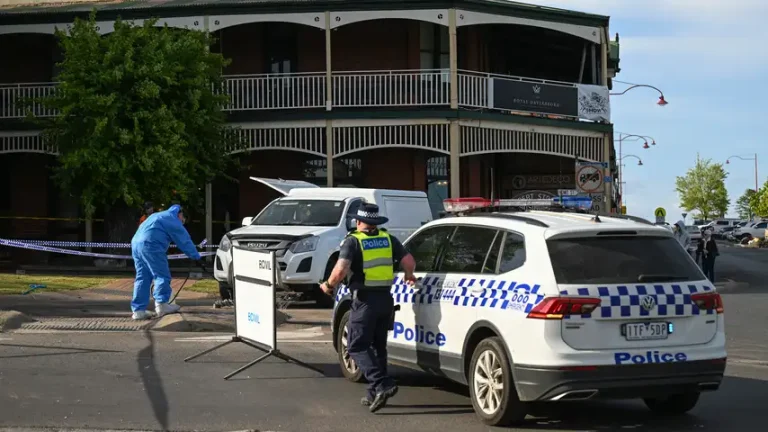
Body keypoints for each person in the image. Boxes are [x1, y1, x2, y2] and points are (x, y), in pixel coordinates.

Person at [319, 202, 416, 413]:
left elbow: (341, 269)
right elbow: (408, 260)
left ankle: (382, 383)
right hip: (386, 300)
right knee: (378, 346)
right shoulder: (388, 239)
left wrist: (328, 285)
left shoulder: (353, 241)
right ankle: (374, 393)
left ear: (358, 221)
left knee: (356, 346)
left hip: (365, 301)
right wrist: (409, 274)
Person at [131, 204, 202, 320]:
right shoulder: (172, 219)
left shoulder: (157, 216)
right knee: (161, 275)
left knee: (142, 277)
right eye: (183, 220)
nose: (182, 223)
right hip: (151, 245)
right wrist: (196, 256)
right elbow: (184, 240)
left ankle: (138, 311)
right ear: (180, 214)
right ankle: (162, 305)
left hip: (136, 244)